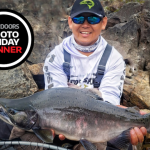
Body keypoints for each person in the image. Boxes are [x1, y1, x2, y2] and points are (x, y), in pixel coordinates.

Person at [43, 0, 147, 149]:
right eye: (79, 19)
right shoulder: (56, 57)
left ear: (104, 22)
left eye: (93, 19)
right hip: (65, 125)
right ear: (70, 22)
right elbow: (55, 100)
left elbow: (110, 102)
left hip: (100, 126)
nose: (85, 24)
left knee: (128, 142)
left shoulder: (114, 59)